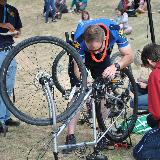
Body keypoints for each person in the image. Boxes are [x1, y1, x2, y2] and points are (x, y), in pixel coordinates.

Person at [63, 18, 134, 152]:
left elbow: (129, 55)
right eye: (91, 49)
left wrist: (116, 66)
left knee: (103, 93)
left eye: (97, 48)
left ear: (105, 39)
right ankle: (70, 135)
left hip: (104, 58)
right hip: (81, 57)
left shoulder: (115, 30)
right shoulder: (79, 39)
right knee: (79, 93)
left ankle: (102, 133)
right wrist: (85, 81)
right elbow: (78, 69)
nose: (94, 52)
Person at [0, 0, 22, 135]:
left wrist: (16, 32)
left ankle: (7, 117)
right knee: (1, 86)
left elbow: (19, 30)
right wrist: (3, 25)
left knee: (8, 86)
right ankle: (0, 120)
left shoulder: (13, 9)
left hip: (10, 50)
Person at [141, 43, 160, 128]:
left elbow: (157, 113)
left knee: (150, 119)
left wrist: (148, 86)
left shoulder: (155, 75)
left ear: (149, 61)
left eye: (149, 67)